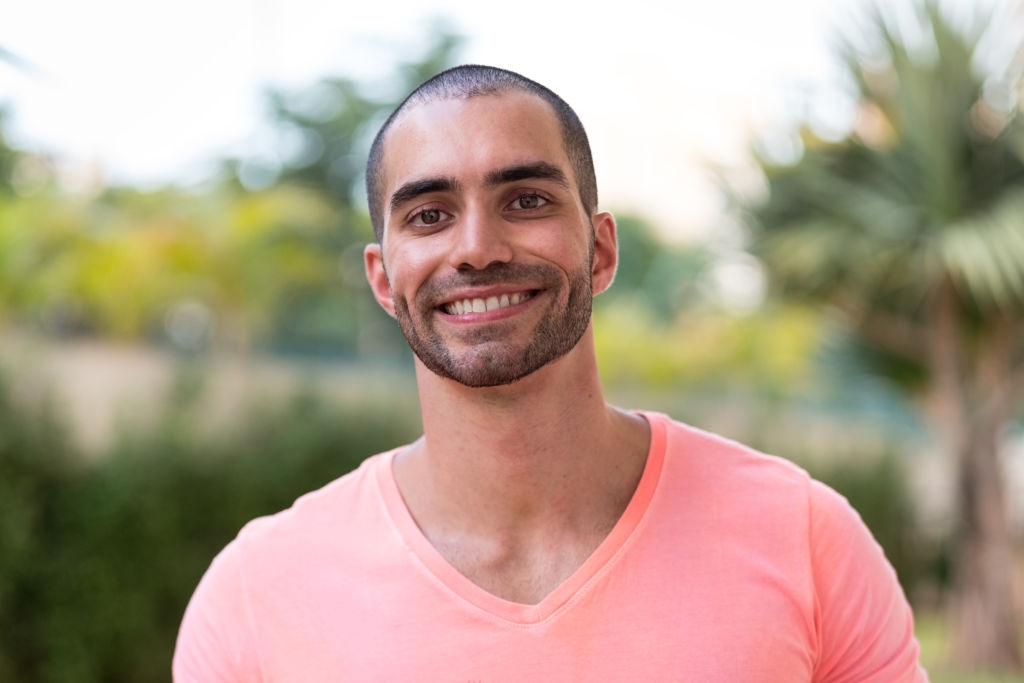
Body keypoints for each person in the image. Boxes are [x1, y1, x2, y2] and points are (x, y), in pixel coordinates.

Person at [173, 64, 927, 681]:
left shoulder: (803, 538)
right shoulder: (255, 595)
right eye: (429, 214)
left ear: (601, 250)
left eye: (526, 200)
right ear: (382, 278)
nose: (477, 248)